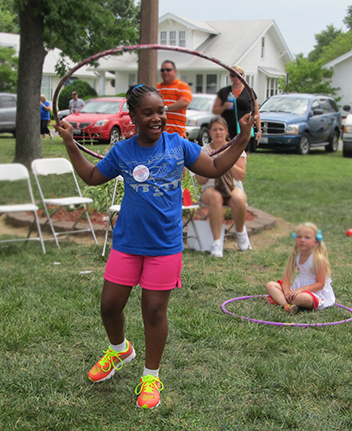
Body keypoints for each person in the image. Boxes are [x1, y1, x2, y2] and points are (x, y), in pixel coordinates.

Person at [55, 83, 255, 410]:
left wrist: (243, 137)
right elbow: (92, 176)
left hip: (164, 245)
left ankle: (150, 375)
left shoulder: (179, 146)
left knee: (154, 310)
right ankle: (120, 350)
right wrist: (69, 143)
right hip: (128, 243)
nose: (157, 117)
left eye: (160, 111)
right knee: (109, 305)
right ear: (132, 116)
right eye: (148, 112)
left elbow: (217, 167)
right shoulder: (123, 151)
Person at [194, 116, 251, 257]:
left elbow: (241, 176)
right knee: (216, 198)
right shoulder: (204, 151)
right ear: (210, 132)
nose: (218, 132)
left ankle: (241, 232)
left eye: (221, 129)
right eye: (214, 130)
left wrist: (226, 161)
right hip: (210, 187)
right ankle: (217, 242)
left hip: (233, 186)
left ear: (226, 131)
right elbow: (201, 181)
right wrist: (210, 164)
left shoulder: (235, 149)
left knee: (238, 198)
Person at [265, 222, 335, 315]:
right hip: (296, 289)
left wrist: (298, 291)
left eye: (307, 237)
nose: (302, 240)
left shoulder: (318, 259)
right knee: (270, 285)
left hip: (313, 292)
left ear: (316, 242)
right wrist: (287, 292)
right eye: (299, 237)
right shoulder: (295, 255)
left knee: (302, 298)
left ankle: (279, 300)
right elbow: (287, 276)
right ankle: (287, 305)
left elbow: (320, 284)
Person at [213, 65, 261, 150]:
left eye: (239, 75)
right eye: (233, 75)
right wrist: (224, 107)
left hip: (244, 129)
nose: (236, 77)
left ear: (243, 76)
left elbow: (256, 112)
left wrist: (259, 130)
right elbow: (215, 111)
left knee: (243, 157)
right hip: (227, 130)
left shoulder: (250, 92)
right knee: (227, 157)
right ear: (230, 76)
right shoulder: (224, 91)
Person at [156, 60, 192, 137]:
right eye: (162, 70)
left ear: (175, 71)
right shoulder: (157, 88)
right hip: (159, 134)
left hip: (177, 135)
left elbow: (184, 102)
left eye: (168, 70)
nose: (165, 72)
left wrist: (164, 108)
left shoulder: (183, 86)